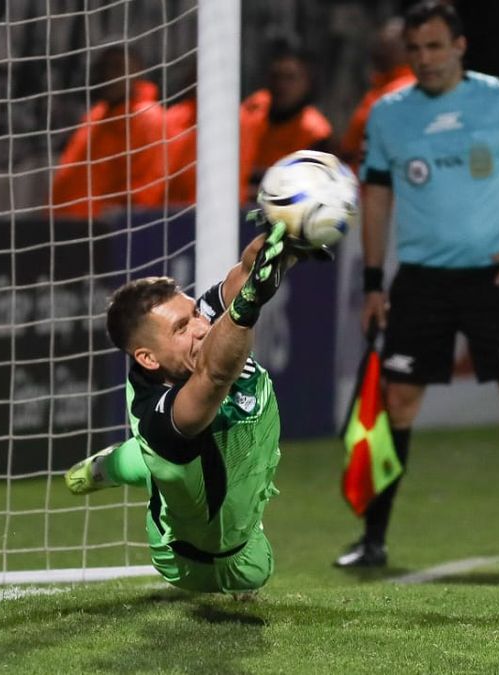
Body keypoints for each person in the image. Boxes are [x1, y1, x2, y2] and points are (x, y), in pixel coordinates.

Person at [335, 1, 499, 570]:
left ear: (459, 46)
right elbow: (375, 200)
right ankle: (372, 540)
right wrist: (375, 283)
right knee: (398, 404)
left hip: (492, 278)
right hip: (422, 281)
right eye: (415, 49)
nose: (424, 59)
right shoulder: (387, 115)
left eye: (434, 46)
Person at [64, 217, 300, 595]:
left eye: (192, 314)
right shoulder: (163, 418)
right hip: (200, 560)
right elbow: (215, 376)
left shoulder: (185, 342)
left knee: (143, 463)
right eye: (181, 328)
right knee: (255, 568)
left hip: (179, 464)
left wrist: (287, 237)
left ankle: (104, 466)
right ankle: (112, 467)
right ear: (148, 358)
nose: (201, 327)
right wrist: (249, 302)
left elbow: (245, 272)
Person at [51, 44, 166, 218]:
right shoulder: (97, 114)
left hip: (105, 234)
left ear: (138, 71)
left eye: (117, 67)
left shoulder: (147, 118)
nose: (108, 75)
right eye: (103, 68)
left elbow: (144, 191)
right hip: (66, 227)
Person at [239, 39, 332, 201]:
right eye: (276, 77)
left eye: (290, 78)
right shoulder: (251, 109)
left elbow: (310, 192)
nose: (281, 85)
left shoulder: (316, 132)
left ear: (307, 83)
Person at [337, 18, 416, 171]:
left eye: (389, 45)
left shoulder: (406, 89)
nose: (379, 50)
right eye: (380, 43)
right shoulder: (380, 87)